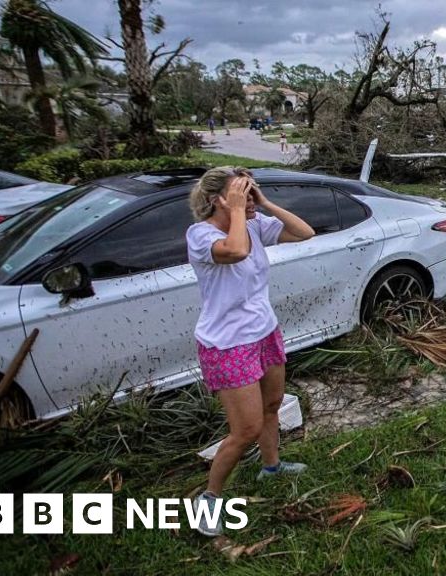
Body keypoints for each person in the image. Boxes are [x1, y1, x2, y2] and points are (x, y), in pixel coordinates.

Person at [186, 167, 316, 537]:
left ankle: (271, 466)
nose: (248, 195)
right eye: (240, 191)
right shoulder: (201, 235)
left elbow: (304, 232)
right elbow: (236, 251)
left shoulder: (255, 225)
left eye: (249, 190)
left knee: (273, 405)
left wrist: (263, 202)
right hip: (228, 344)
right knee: (245, 429)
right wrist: (240, 211)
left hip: (264, 332)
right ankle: (208, 499)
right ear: (218, 201)